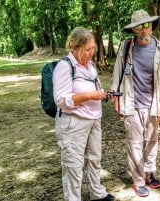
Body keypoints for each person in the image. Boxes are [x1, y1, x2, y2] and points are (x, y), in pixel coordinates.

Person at [111, 9, 160, 197]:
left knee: (152, 141)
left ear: (151, 26)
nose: (144, 30)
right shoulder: (126, 47)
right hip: (132, 103)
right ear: (134, 30)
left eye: (147, 25)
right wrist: (116, 98)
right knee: (135, 143)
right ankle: (138, 180)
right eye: (139, 27)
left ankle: (149, 173)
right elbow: (117, 73)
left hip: (153, 103)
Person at [53, 27, 115, 201]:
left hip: (94, 119)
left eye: (93, 48)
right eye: (87, 49)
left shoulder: (90, 65)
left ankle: (97, 193)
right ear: (75, 47)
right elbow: (61, 99)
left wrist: (102, 94)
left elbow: (94, 87)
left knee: (95, 159)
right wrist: (90, 96)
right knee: (73, 164)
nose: (91, 53)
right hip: (74, 123)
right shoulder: (64, 66)